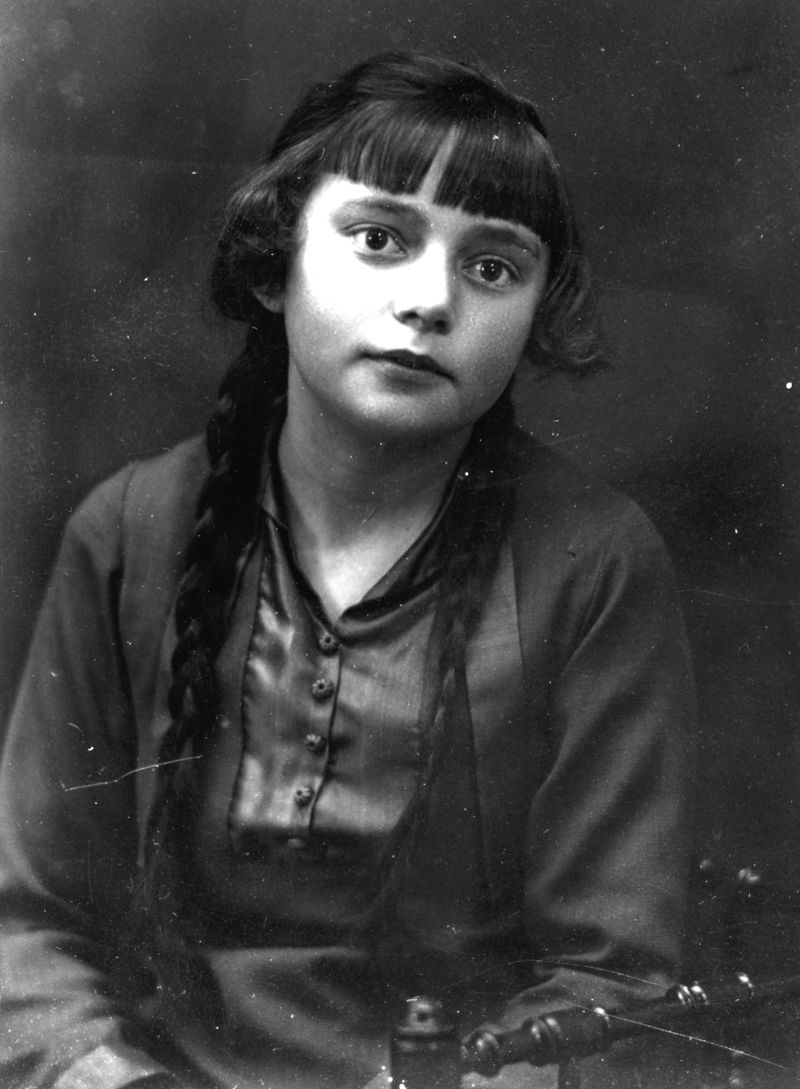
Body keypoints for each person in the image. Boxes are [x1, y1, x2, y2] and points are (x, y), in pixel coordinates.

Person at [0, 51, 695, 1089]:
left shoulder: (590, 563)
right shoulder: (132, 532)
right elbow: (23, 925)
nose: (430, 300)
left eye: (491, 267)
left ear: (533, 315)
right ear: (274, 263)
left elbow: (613, 978)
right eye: (379, 239)